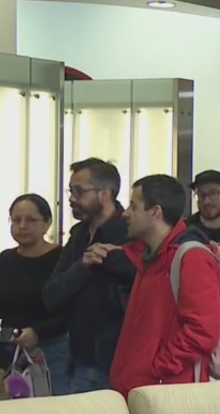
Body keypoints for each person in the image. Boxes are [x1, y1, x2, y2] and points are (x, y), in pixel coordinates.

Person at [109, 175, 220, 395]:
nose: (125, 213)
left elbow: (202, 331)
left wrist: (158, 368)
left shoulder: (191, 258)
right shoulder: (151, 257)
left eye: (133, 206)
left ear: (155, 212)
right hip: (141, 388)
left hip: (167, 392)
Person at [42, 158, 137, 393]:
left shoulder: (131, 234)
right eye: (70, 191)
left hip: (116, 362)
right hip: (76, 357)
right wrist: (83, 266)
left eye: (79, 191)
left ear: (105, 194)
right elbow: (51, 296)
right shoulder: (78, 235)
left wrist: (117, 261)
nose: (72, 198)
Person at [0, 194, 70, 395]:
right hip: (7, 346)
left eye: (31, 220)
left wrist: (38, 332)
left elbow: (72, 311)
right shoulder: (6, 259)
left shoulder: (62, 258)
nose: (22, 226)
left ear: (47, 223)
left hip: (51, 348)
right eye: (16, 220)